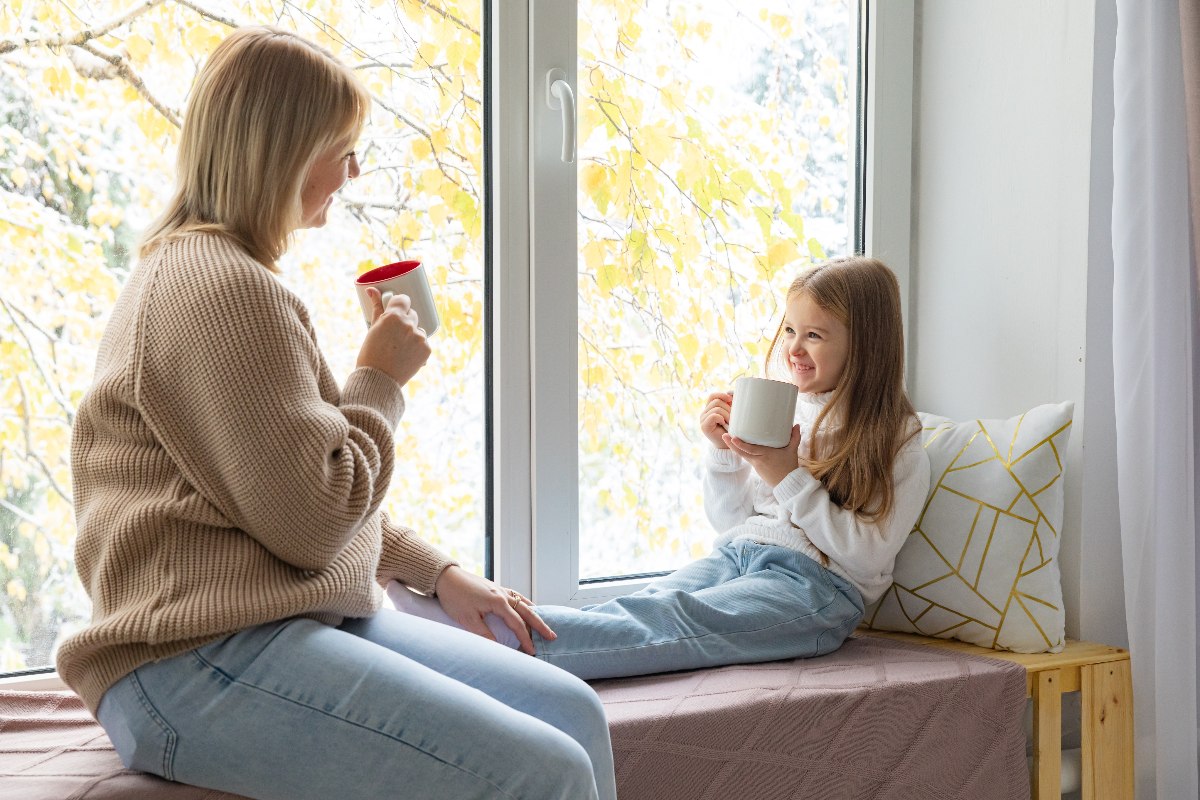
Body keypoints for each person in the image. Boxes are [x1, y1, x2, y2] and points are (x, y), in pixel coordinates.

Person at [56, 26, 615, 800]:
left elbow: (275, 488)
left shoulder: (210, 270)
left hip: (272, 624)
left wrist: (437, 572)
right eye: (343, 150)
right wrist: (379, 381)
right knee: (544, 772)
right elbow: (313, 522)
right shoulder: (224, 290)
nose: (352, 174)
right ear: (283, 152)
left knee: (572, 712)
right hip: (189, 659)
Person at [397, 257, 930, 681]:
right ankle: (484, 626)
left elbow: (868, 555)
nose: (792, 348)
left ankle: (486, 640)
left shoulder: (898, 441)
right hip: (740, 554)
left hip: (819, 592)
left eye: (815, 335)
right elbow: (730, 522)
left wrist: (785, 474)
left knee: (675, 622)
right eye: (789, 328)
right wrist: (724, 453)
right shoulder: (791, 407)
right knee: (648, 601)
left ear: (865, 344)